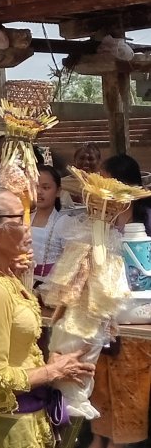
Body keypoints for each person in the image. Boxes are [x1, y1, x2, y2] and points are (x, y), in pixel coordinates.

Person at [0, 185, 95, 448]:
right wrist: (53, 371)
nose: (27, 226)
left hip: (8, 420)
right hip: (5, 428)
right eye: (19, 219)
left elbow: (13, 344)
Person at [88, 154, 151, 448]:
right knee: (101, 387)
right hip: (102, 320)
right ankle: (101, 438)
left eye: (105, 179)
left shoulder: (146, 224)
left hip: (137, 323)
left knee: (131, 388)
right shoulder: (97, 221)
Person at [30, 166, 69, 285]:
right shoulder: (25, 218)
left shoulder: (63, 222)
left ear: (58, 191)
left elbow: (69, 261)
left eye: (45, 187)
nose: (39, 192)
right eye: (35, 186)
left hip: (50, 286)